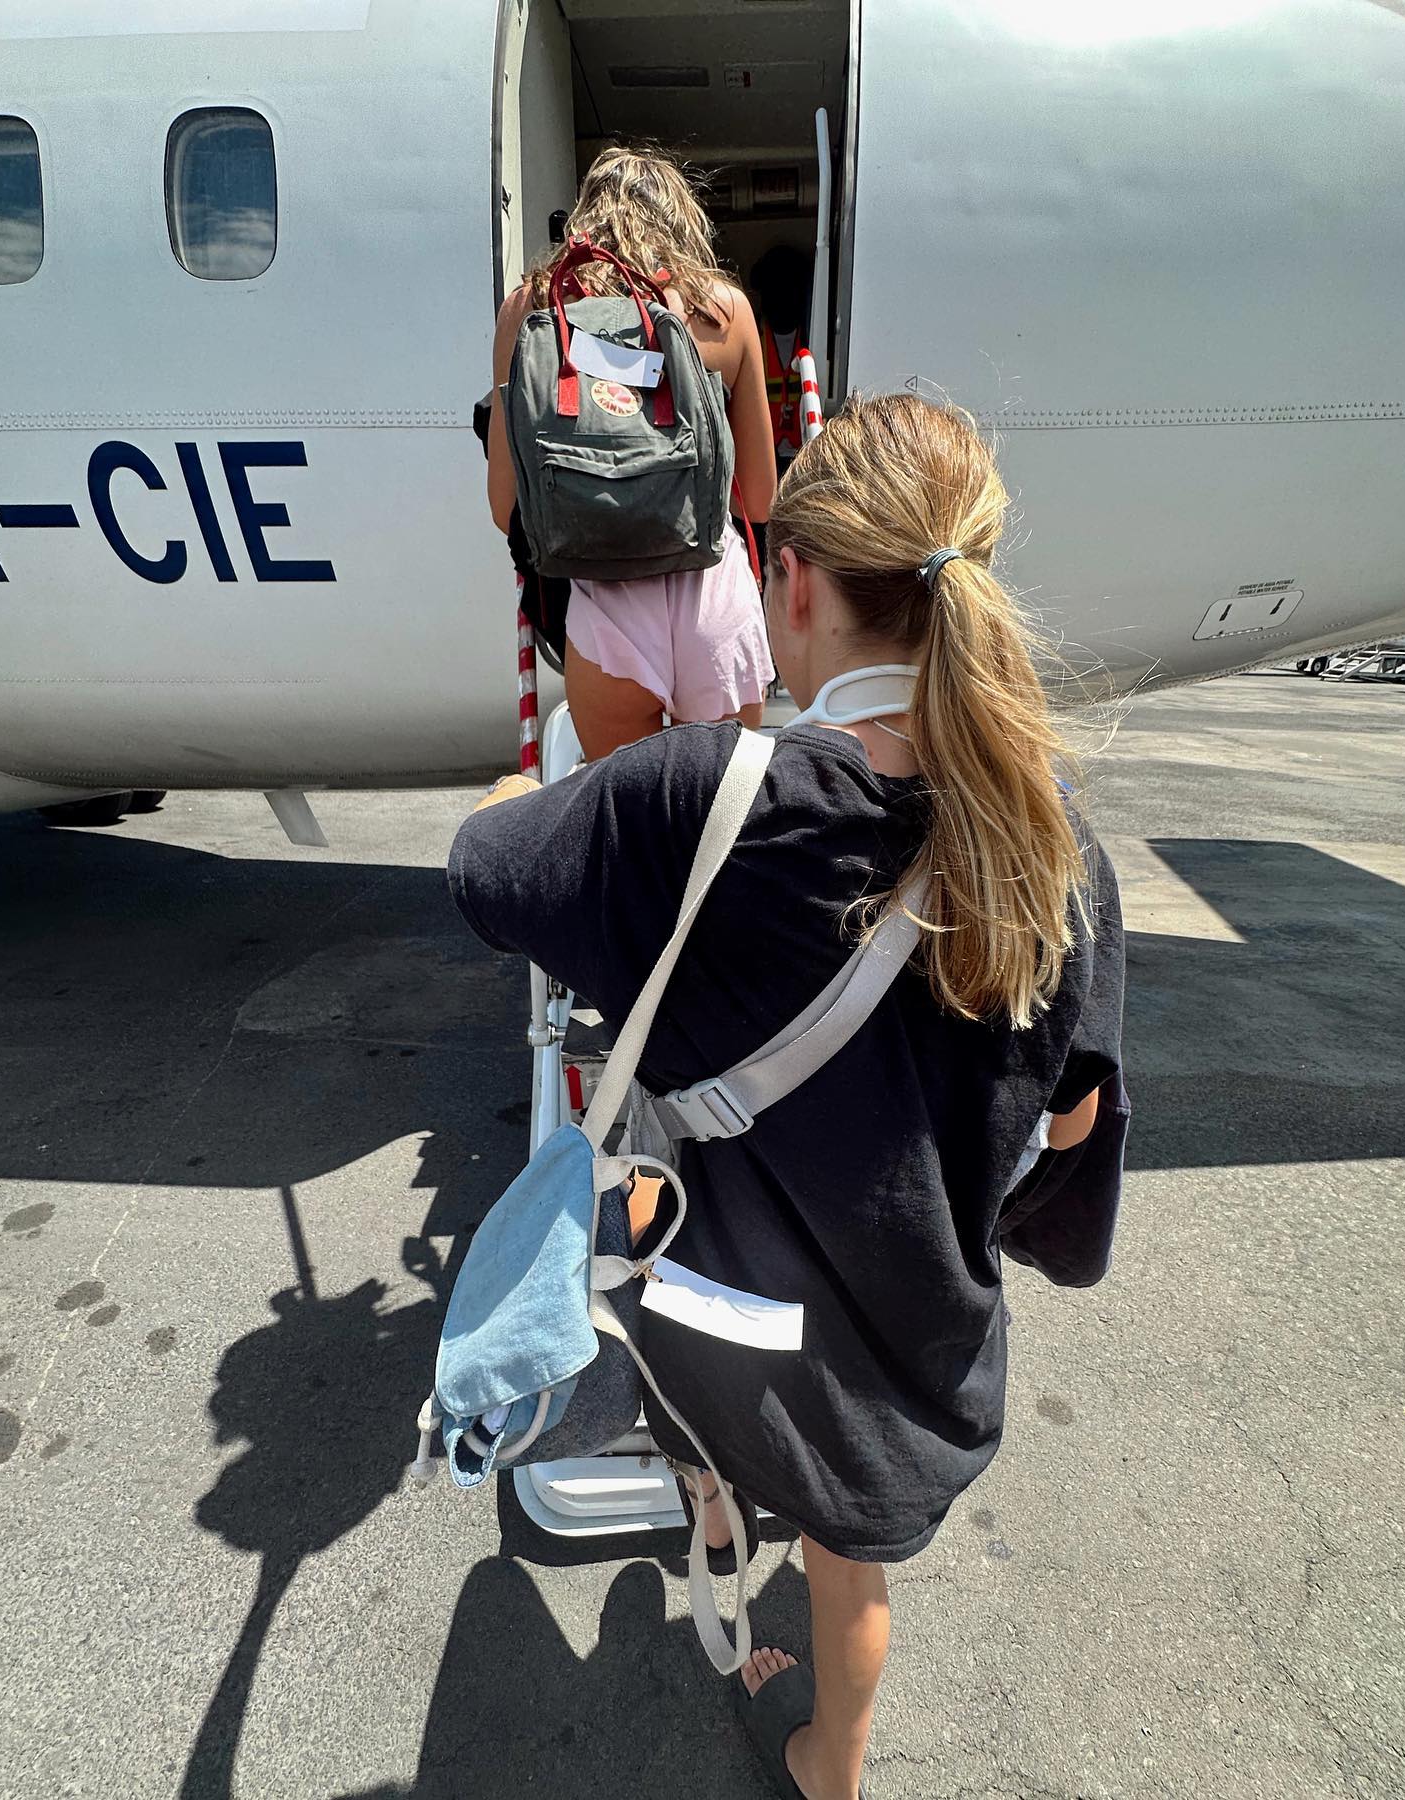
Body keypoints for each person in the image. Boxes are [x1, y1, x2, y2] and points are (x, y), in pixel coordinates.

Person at [450, 392, 1127, 1800]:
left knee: (683, 1374)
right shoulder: (1061, 854)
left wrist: (560, 793)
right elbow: (1072, 1118)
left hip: (719, 1319)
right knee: (851, 1563)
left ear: (795, 581)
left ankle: (706, 1520)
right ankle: (834, 1766)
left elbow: (484, 873)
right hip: (903, 1343)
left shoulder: (690, 797)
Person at [486, 147, 779, 760]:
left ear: (584, 218)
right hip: (713, 594)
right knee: (721, 830)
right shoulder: (724, 312)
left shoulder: (533, 310)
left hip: (604, 606)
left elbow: (504, 504)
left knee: (631, 836)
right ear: (682, 220)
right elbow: (759, 494)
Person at [750, 243, 814, 475]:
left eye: (788, 288)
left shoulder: (814, 334)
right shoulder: (751, 335)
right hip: (764, 456)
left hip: (806, 454)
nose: (781, 296)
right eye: (774, 288)